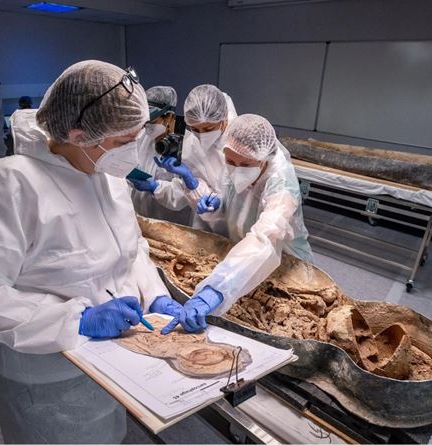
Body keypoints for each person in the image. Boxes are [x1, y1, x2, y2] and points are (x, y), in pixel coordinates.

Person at [0, 61, 186, 444]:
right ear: (79, 134)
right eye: (122, 142)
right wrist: (75, 320)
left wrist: (157, 295)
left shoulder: (107, 177)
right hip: (45, 377)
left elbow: (133, 251)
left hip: (115, 360)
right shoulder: (5, 186)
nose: (133, 152)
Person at [161, 114, 313, 334]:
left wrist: (216, 289)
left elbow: (265, 238)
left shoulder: (281, 183)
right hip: (243, 263)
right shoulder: (234, 160)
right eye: (230, 162)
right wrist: (216, 204)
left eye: (245, 164)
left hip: (286, 265)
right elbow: (231, 202)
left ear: (264, 160)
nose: (236, 168)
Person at [138, 84, 237, 229]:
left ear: (224, 120)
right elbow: (196, 194)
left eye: (208, 129)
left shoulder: (243, 139)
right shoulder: (191, 145)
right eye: (195, 129)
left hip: (245, 228)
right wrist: (191, 182)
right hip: (208, 225)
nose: (201, 135)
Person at [128, 85, 191, 225]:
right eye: (144, 122)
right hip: (142, 217)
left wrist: (155, 187)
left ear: (169, 117)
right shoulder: (143, 137)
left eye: (152, 121)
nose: (147, 126)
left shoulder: (188, 145)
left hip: (173, 223)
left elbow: (185, 196)